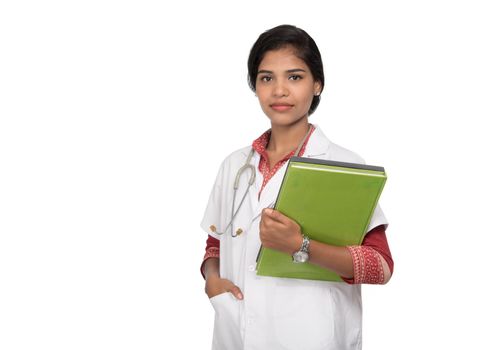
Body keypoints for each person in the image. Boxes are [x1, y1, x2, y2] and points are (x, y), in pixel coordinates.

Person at [200, 24, 394, 350]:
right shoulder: (234, 165)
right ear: (255, 86)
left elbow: (381, 266)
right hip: (236, 334)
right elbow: (214, 244)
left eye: (294, 77)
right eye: (266, 78)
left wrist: (300, 245)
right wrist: (212, 282)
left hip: (312, 336)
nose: (279, 90)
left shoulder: (344, 165)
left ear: (317, 84)